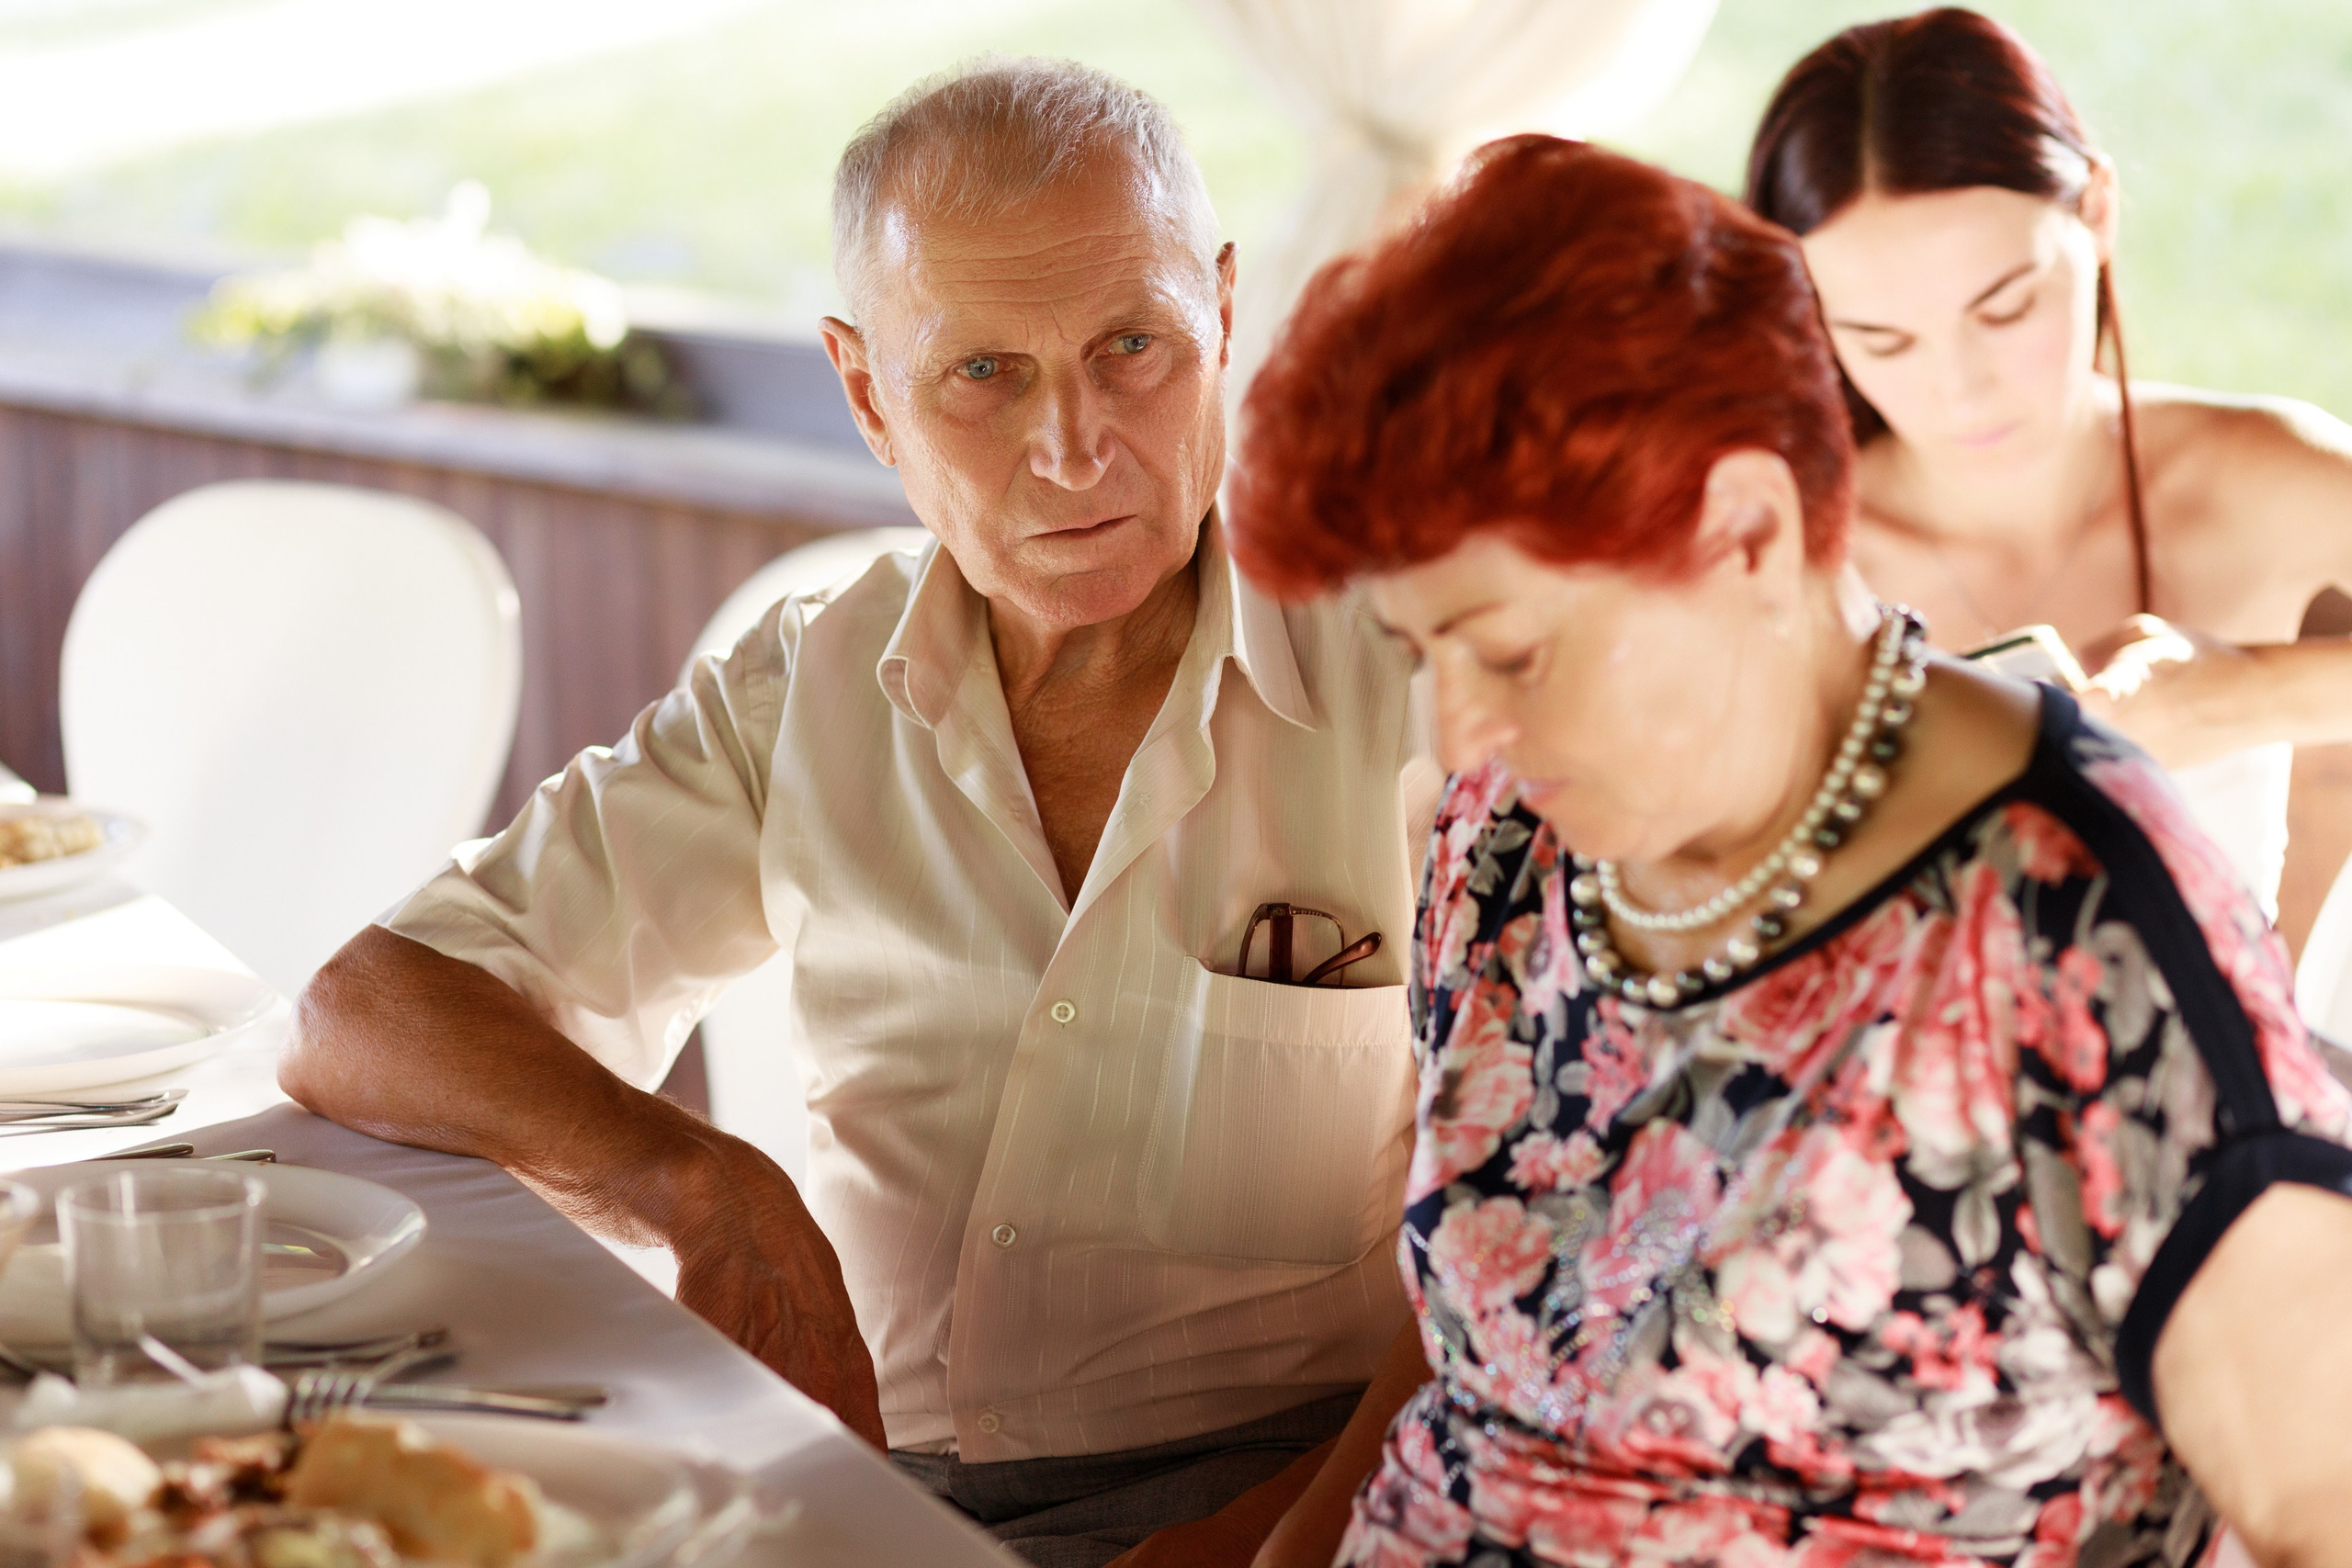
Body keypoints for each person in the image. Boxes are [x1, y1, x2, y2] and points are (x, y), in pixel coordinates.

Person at [280, 60, 1437, 1568]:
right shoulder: (806, 686)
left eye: (1132, 344)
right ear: (865, 390)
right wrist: (704, 1186)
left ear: (1223, 310)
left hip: (1313, 1498)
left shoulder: (1422, 675)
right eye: (985, 375)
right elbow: (360, 1010)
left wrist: (1279, 1541)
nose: (1076, 447)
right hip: (872, 1507)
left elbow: (1552, 1228)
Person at [1224, 133, 2352, 1568]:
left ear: (1748, 530)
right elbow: (1493, 1342)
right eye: (1421, 648)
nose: (1462, 725)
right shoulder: (1512, 831)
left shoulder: (2076, 934)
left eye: (1509, 648)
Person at [1744, 6, 2352, 928]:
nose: (1960, 389)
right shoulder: (1784, 561)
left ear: (2097, 212)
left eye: (2005, 308)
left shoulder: (2254, 480)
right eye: (1881, 338)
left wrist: (2249, 694)